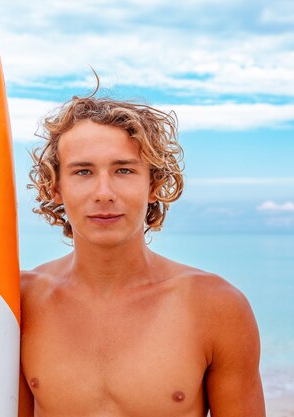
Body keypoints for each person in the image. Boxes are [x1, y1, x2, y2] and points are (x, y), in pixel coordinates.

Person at [19, 92, 265, 417]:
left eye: (123, 171)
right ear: (55, 187)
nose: (103, 193)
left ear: (153, 184)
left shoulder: (216, 308)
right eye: (83, 172)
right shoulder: (21, 301)